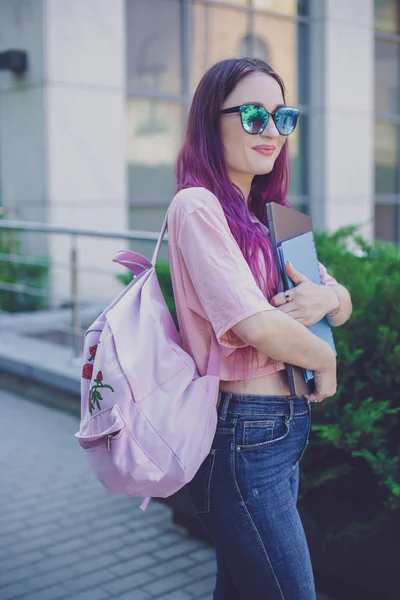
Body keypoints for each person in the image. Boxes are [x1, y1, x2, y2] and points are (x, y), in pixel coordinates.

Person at [167, 58, 352, 600]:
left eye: (282, 116)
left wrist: (331, 296)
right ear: (211, 120)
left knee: (245, 589)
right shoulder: (197, 206)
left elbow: (339, 304)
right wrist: (326, 358)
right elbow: (254, 325)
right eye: (253, 115)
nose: (272, 131)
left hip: (282, 426)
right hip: (242, 432)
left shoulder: (269, 215)